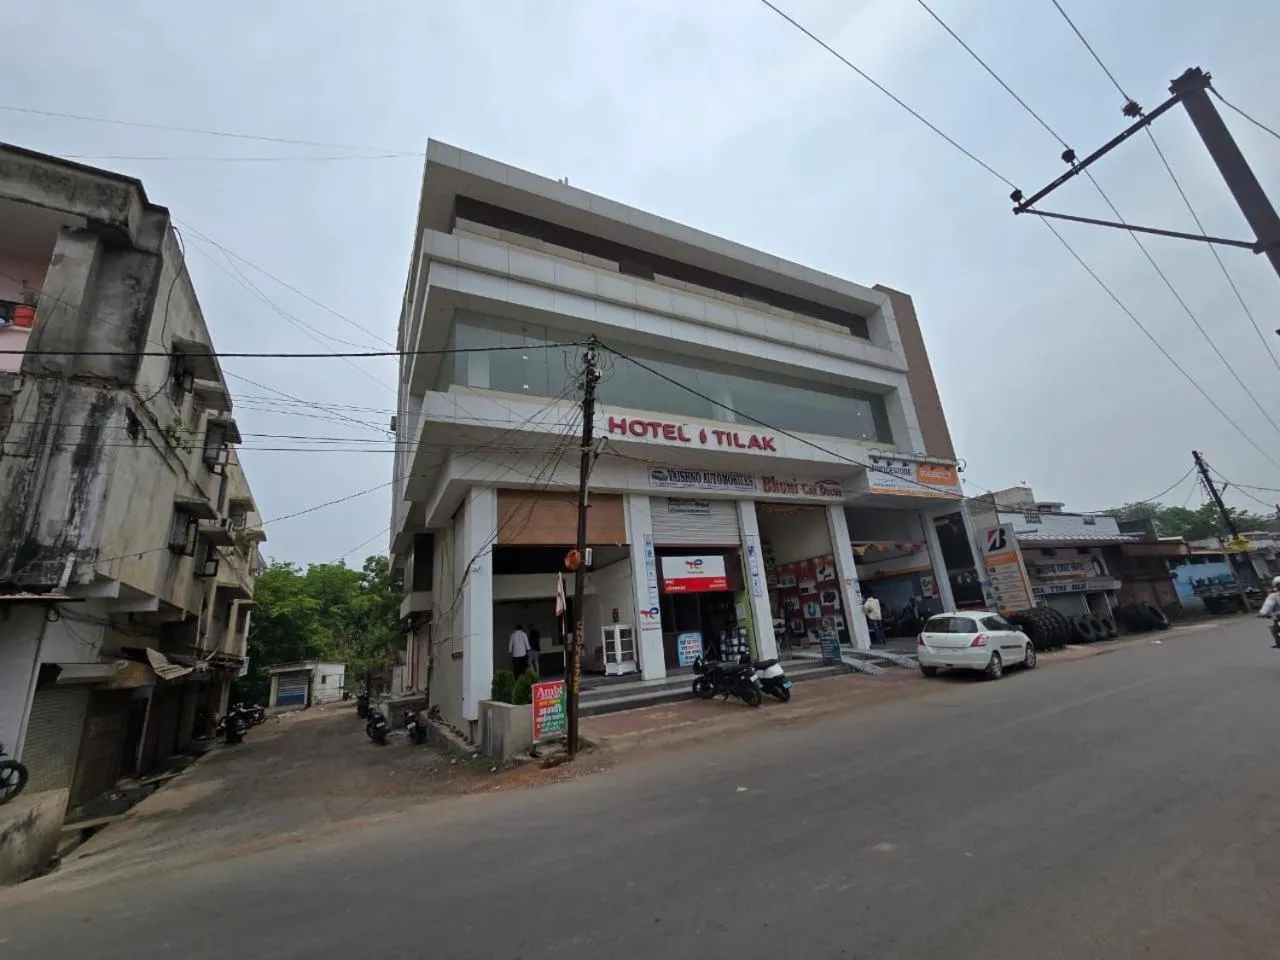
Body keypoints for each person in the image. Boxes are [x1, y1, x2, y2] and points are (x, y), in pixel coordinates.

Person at [1258, 577, 1280, 647]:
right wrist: (1263, 613)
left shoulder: (1273, 596)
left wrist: (1263, 613)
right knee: (1274, 629)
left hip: (1277, 616)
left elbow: (1267, 607)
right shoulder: (1273, 596)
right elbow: (1267, 606)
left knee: (1273, 629)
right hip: (1277, 616)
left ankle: (1278, 642)